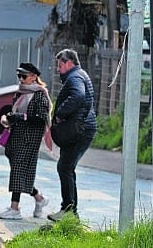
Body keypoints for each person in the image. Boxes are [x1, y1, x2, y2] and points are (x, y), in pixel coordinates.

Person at [0, 62, 52, 220]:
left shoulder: (40, 95)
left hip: (29, 138)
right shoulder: (20, 93)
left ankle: (15, 208)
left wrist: (21, 117)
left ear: (34, 77)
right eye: (19, 76)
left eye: (24, 76)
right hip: (16, 136)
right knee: (20, 172)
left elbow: (42, 118)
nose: (21, 79)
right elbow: (15, 112)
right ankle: (39, 199)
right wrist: (8, 118)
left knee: (18, 170)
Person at [48, 48, 97, 221]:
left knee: (65, 167)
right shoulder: (79, 75)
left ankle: (68, 210)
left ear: (69, 63)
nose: (57, 69)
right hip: (82, 129)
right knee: (67, 167)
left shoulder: (75, 77)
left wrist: (61, 113)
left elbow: (78, 96)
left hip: (79, 130)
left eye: (60, 65)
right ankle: (70, 211)